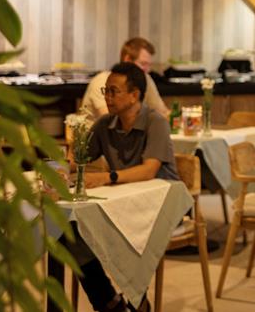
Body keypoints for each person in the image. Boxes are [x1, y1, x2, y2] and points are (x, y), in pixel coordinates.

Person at [71, 62, 179, 312]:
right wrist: (56, 166)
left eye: (114, 91)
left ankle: (137, 302)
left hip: (164, 203)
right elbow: (79, 161)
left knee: (122, 233)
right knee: (70, 231)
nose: (107, 97)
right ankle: (108, 302)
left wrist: (107, 177)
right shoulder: (105, 124)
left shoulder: (155, 122)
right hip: (125, 202)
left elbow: (149, 170)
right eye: (105, 91)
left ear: (134, 95)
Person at [81, 37, 169, 120]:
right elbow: (111, 119)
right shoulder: (104, 81)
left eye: (149, 65)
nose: (147, 70)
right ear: (127, 60)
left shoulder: (146, 78)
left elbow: (163, 113)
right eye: (143, 64)